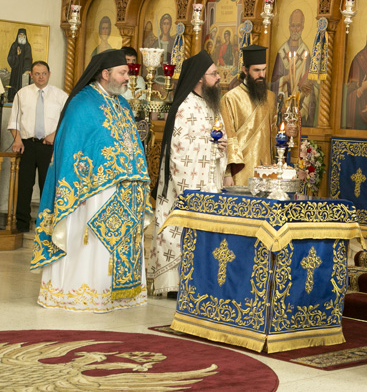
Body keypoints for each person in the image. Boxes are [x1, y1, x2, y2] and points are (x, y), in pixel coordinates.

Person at [30, 49, 151, 312]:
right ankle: (81, 293)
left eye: (127, 73)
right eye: (122, 73)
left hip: (123, 192)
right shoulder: (82, 104)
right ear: (105, 74)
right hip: (90, 193)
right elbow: (71, 149)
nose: (127, 78)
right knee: (92, 245)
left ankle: (115, 294)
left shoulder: (123, 104)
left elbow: (132, 145)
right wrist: (92, 178)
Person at [149, 50, 227, 296]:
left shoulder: (210, 104)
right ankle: (174, 286)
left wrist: (221, 147)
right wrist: (213, 148)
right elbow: (180, 152)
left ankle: (199, 281)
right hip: (184, 186)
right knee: (178, 233)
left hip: (207, 184)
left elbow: (216, 140)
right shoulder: (184, 107)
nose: (218, 78)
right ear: (200, 78)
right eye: (214, 74)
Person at [7, 61, 68, 233]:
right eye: (37, 74)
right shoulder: (22, 94)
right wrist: (17, 139)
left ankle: (45, 224)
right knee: (24, 185)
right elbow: (14, 120)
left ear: (49, 74)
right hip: (26, 145)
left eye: (43, 73)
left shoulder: (61, 96)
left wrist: (54, 135)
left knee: (47, 185)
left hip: (48, 146)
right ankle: (22, 224)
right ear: (31, 75)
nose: (40, 77)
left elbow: (66, 121)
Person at [220, 45, 277, 186]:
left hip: (267, 171)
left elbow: (274, 134)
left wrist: (287, 133)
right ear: (245, 70)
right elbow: (228, 137)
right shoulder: (230, 98)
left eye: (264, 70)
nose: (262, 75)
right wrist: (227, 174)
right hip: (241, 171)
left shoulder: (270, 97)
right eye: (257, 70)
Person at [271, 9, 317, 125]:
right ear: (289, 27)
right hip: (284, 103)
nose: (295, 29)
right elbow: (273, 82)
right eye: (292, 26)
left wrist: (308, 88)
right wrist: (285, 79)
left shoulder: (305, 52)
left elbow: (310, 80)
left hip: (299, 103)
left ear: (302, 27)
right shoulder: (282, 52)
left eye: (298, 26)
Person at [7, 28, 33, 102]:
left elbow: (29, 58)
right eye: (20, 35)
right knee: (14, 84)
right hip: (15, 70)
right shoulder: (14, 45)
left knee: (23, 85)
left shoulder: (28, 46)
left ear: (25, 36)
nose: (21, 36)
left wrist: (27, 69)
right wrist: (17, 56)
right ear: (18, 36)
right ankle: (12, 98)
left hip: (24, 70)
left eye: (23, 35)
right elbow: (10, 58)